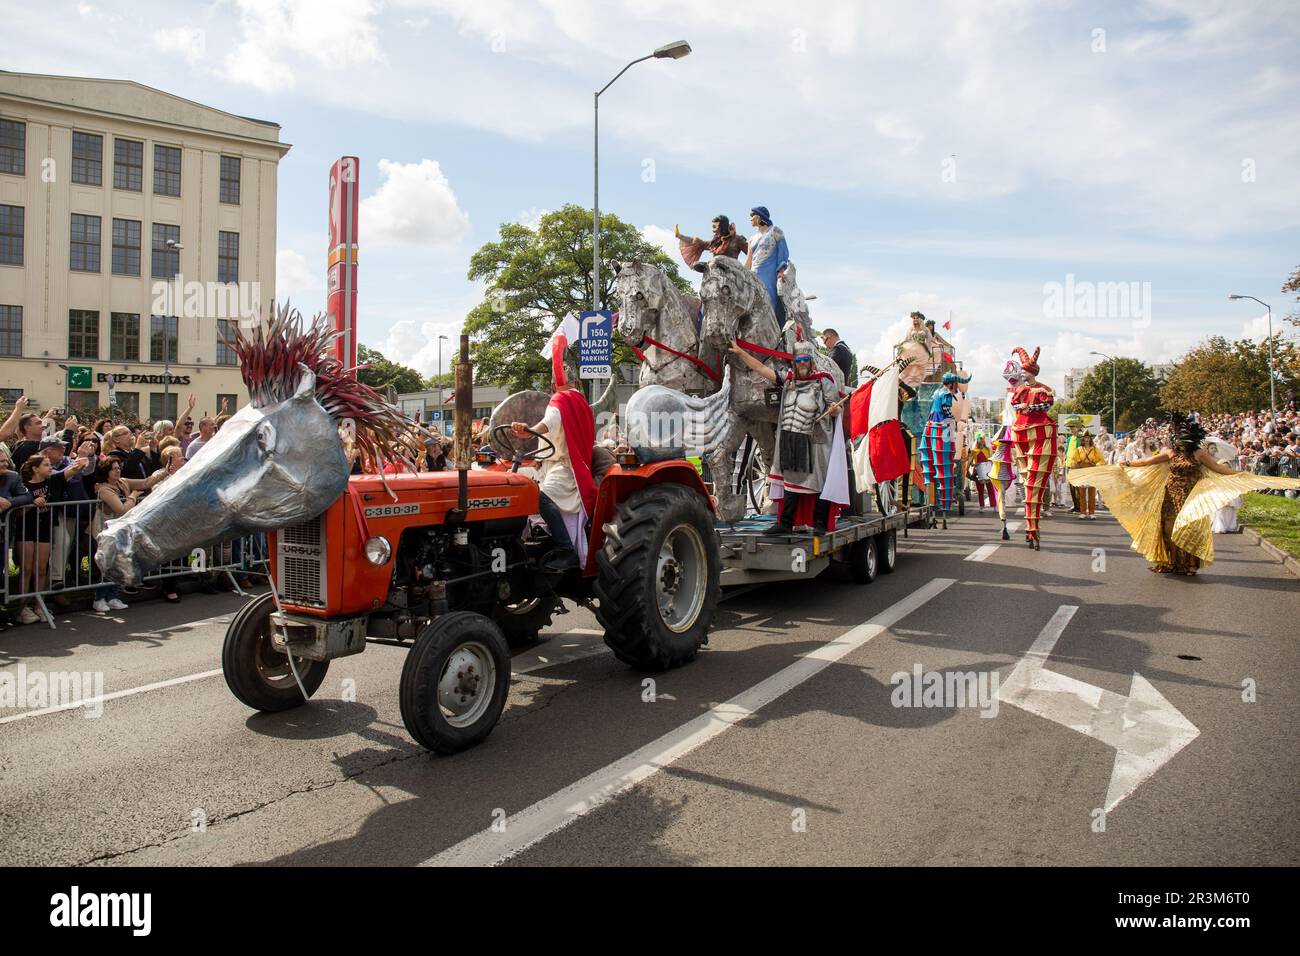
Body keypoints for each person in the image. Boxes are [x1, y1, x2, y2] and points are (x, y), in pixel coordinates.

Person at [1070, 412, 1300, 574]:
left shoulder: (1199, 454)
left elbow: (1218, 468)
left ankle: (1188, 565)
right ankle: (1170, 562)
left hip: (1191, 495)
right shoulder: (1170, 452)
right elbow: (1148, 461)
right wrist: (1128, 464)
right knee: (1167, 528)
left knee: (1188, 528)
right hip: (1170, 494)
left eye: (1181, 435)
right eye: (1176, 435)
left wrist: (1239, 477)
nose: (1178, 439)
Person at [731, 338, 844, 534]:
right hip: (790, 438)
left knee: (817, 483)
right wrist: (740, 352)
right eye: (798, 360)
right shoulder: (789, 380)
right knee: (790, 483)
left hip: (814, 440)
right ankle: (785, 523)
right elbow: (761, 369)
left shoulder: (823, 380)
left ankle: (819, 524)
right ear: (794, 361)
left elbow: (837, 408)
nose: (802, 363)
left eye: (805, 360)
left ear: (811, 361)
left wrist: (835, 410)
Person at [510, 379, 597, 571]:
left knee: (537, 495)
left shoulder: (564, 399)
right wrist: (538, 460)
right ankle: (519, 542)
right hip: (555, 465)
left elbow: (551, 421)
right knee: (511, 480)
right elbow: (555, 433)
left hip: (567, 469)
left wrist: (531, 431)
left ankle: (566, 549)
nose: (555, 385)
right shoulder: (580, 402)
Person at [90, 457, 165, 611]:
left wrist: (166, 471)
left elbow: (146, 482)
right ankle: (99, 598)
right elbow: (121, 510)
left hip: (121, 531)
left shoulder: (123, 482)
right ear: (106, 472)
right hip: (104, 532)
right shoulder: (104, 489)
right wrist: (133, 496)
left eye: (118, 468)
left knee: (120, 562)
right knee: (106, 565)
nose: (117, 471)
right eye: (114, 468)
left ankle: (113, 596)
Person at [1007, 346, 1056, 550]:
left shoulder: (1042, 388)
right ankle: (1031, 529)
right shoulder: (1020, 389)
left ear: (1032, 372)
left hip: (1040, 435)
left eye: (1025, 371)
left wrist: (1032, 408)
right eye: (1022, 371)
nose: (1022, 373)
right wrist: (1023, 407)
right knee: (1028, 485)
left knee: (1034, 486)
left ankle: (1033, 529)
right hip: (1022, 435)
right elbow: (1015, 404)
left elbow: (1047, 404)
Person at [921, 370, 972, 525]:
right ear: (952, 383)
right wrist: (954, 420)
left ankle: (932, 508)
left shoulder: (936, 392)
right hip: (943, 429)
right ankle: (943, 511)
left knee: (930, 469)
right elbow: (946, 409)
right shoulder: (947, 394)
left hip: (929, 428)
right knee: (944, 471)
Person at [744, 206, 790, 323]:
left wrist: (781, 271)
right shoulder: (752, 238)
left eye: (752, 216)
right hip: (753, 273)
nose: (750, 219)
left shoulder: (775, 231)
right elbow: (749, 259)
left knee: (768, 300)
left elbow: (783, 251)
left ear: (759, 217)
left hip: (769, 273)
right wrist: (742, 273)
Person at [676, 215, 747, 274]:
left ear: (723, 226)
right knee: (699, 265)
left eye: (715, 227)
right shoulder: (716, 242)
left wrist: (746, 271)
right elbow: (698, 242)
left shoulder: (738, 239)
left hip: (732, 272)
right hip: (716, 272)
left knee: (717, 260)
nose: (713, 230)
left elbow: (751, 253)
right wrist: (680, 236)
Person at [1067, 432, 1104, 518]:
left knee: (1092, 492)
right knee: (1082, 493)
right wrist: (1074, 465)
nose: (1086, 440)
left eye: (1088, 438)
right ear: (1083, 439)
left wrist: (1097, 465)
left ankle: (1091, 513)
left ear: (1090, 439)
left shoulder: (1095, 449)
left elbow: (1101, 460)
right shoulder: (1079, 449)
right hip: (1082, 471)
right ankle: (1083, 512)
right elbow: (1073, 460)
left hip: (1092, 471)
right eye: (1085, 438)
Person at [969, 432, 995, 511]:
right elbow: (970, 460)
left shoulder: (987, 450)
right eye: (979, 441)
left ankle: (994, 505)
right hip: (978, 471)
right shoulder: (974, 450)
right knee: (980, 490)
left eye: (982, 440)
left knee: (990, 489)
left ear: (984, 441)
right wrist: (968, 467)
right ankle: (981, 506)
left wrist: (993, 467)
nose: (981, 442)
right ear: (977, 441)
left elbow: (991, 459)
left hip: (987, 471)